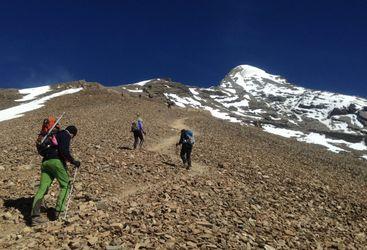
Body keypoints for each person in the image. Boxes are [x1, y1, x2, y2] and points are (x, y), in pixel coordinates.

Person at [31, 125, 81, 226]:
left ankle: (35, 217)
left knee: (42, 189)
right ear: (72, 134)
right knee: (66, 185)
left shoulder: (53, 135)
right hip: (56, 162)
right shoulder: (65, 134)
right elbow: (63, 151)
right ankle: (59, 212)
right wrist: (73, 161)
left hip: (45, 162)